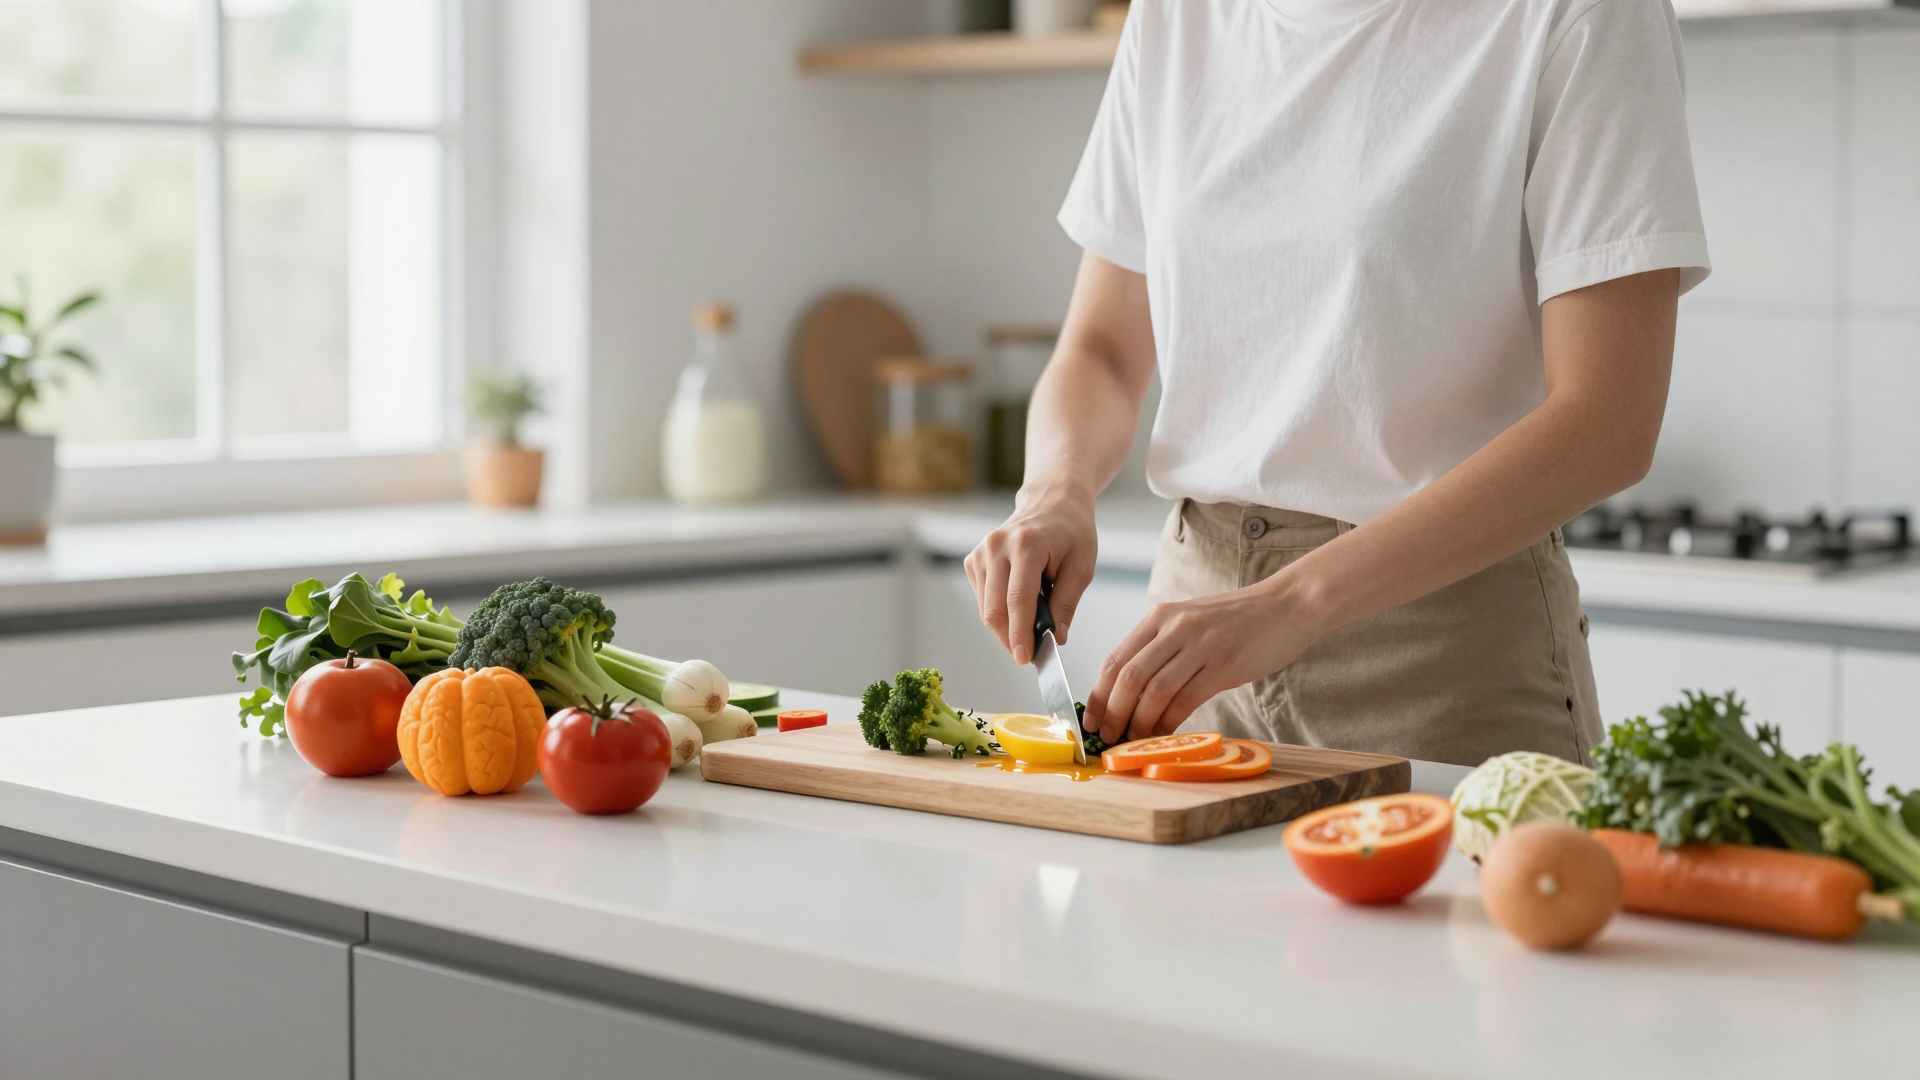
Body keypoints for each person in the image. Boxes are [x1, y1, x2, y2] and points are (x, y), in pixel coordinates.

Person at [965, 0, 1710, 767]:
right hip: (1194, 647)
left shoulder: (1578, 13)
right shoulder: (1177, 16)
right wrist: (1055, 492)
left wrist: (1292, 601)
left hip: (1439, 654)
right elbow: (1103, 348)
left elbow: (1609, 420)